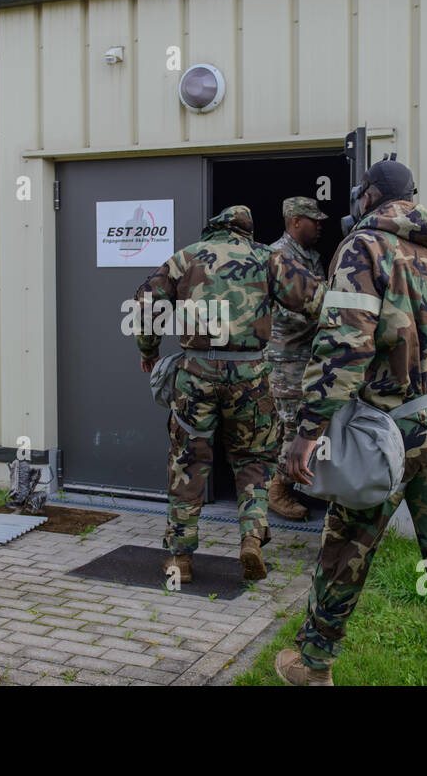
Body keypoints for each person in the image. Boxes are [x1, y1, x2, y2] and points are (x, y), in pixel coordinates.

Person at [274, 159, 427, 686]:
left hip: (388, 427)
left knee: (347, 543)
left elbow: (341, 346)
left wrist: (308, 433)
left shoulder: (364, 245)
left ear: (369, 196)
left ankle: (312, 665)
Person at [136, 206, 324, 583]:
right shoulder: (269, 258)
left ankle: (180, 559)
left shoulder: (184, 257)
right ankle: (251, 539)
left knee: (188, 462)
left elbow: (145, 305)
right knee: (253, 460)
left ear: (213, 229)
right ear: (247, 231)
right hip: (251, 374)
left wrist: (149, 351)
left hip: (196, 374)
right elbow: (318, 302)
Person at [266, 196, 328, 521]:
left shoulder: (311, 258)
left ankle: (290, 483)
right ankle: (278, 490)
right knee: (291, 428)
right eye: (313, 219)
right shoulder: (277, 258)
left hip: (309, 358)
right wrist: (326, 314)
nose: (320, 225)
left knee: (307, 424)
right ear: (295, 221)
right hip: (285, 360)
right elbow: (282, 312)